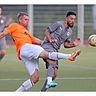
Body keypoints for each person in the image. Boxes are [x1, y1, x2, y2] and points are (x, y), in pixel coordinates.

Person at [0, 12, 81, 92]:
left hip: (26, 54)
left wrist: (45, 43)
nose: (27, 21)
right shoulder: (14, 25)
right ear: (20, 19)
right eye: (25, 19)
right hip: (25, 48)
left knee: (35, 78)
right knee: (48, 55)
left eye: (28, 19)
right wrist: (49, 41)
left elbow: (35, 40)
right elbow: (3, 33)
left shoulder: (26, 32)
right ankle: (69, 56)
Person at [41, 11, 81, 91]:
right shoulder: (58, 24)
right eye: (71, 19)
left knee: (54, 75)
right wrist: (50, 39)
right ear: (66, 18)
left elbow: (66, 45)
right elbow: (46, 31)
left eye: (74, 19)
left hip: (55, 50)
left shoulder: (70, 31)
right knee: (52, 61)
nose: (73, 21)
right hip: (47, 46)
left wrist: (73, 44)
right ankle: (70, 56)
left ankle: (42, 92)